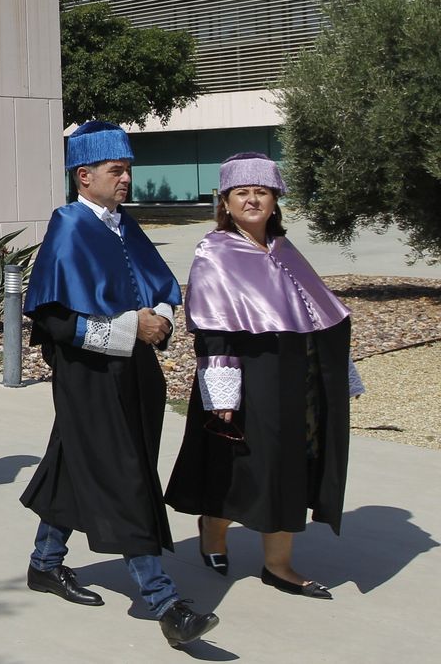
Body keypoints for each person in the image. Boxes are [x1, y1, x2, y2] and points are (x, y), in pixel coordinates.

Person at [20, 120, 219, 648]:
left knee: (78, 461)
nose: (127, 178)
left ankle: (45, 562)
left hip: (134, 374)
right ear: (84, 176)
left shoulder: (124, 225)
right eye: (117, 170)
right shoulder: (68, 226)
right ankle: (164, 603)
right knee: (123, 474)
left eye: (128, 169)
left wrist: (159, 319)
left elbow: (158, 287)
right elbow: (53, 320)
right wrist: (132, 327)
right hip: (88, 377)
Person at [165, 152, 360, 600]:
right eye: (242, 192)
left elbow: (320, 316)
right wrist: (222, 393)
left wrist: (336, 375)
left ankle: (279, 565)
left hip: (296, 381)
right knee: (238, 464)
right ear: (226, 202)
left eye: (262, 192)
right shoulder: (214, 251)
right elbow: (211, 330)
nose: (252, 200)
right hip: (247, 378)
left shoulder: (284, 249)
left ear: (275, 200)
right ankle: (214, 529)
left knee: (290, 467)